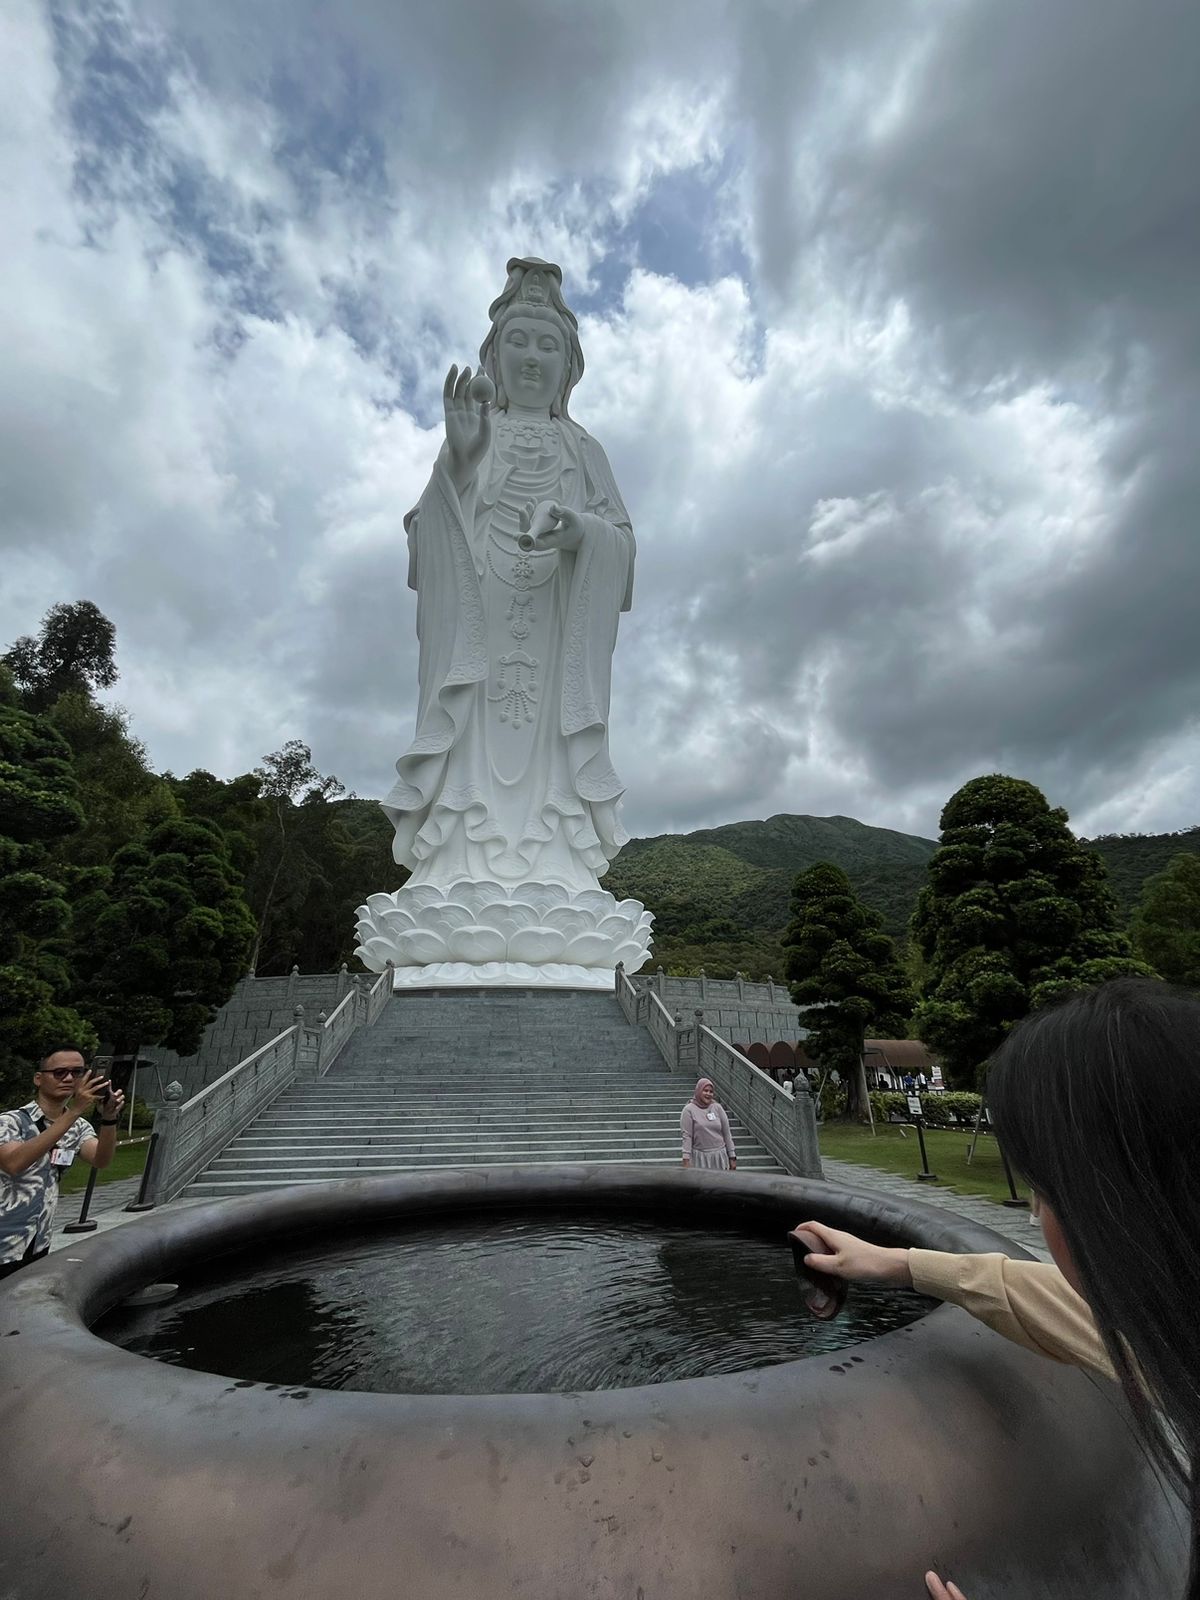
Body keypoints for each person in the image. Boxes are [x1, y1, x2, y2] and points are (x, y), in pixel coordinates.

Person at [793, 978, 1200, 1599]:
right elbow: (1056, 1303)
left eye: (1047, 1189)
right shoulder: (1174, 1331)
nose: (1036, 1216)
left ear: (1129, 1194)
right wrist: (898, 1264)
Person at [0, 1047, 125, 1281]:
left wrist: (109, 1118)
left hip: (38, 1243)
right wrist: (76, 1109)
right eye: (59, 1072)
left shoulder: (77, 1127)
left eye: (77, 1072)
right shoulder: (10, 1122)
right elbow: (13, 1163)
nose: (69, 1078)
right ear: (39, 1078)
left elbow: (101, 1159)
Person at [680, 1079, 736, 1172]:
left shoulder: (717, 1107)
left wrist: (732, 1156)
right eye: (705, 1090)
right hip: (700, 1157)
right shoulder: (688, 1110)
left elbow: (726, 1133)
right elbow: (687, 1136)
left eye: (711, 1092)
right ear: (698, 1091)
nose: (708, 1094)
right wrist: (686, 1159)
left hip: (719, 1156)